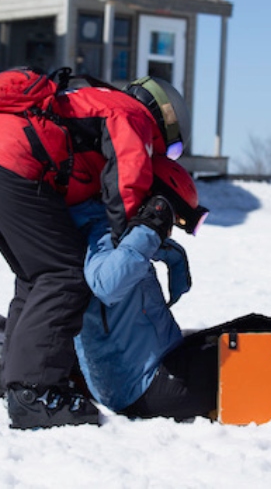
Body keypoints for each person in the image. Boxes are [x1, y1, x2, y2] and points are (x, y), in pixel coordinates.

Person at [0, 68, 191, 430]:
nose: (165, 156)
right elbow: (127, 178)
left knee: (34, 277)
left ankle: (17, 383)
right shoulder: (131, 114)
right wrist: (130, 234)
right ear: (162, 119)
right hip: (9, 160)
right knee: (64, 273)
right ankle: (34, 393)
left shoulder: (88, 104)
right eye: (171, 147)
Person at [70, 155, 216, 420]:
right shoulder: (105, 232)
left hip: (144, 375)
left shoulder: (119, 232)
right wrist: (150, 230)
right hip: (144, 387)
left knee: (250, 329)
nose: (168, 231)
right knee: (249, 346)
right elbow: (107, 285)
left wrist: (172, 256)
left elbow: (134, 250)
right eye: (169, 222)